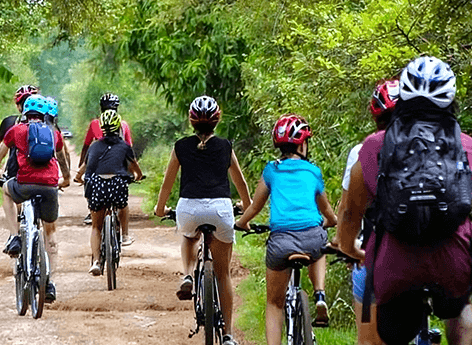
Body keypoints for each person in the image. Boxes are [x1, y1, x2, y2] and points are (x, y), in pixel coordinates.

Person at [337, 56, 472, 345]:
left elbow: (351, 213)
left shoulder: (375, 146)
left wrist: (350, 248)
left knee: (389, 331)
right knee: (461, 308)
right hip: (452, 262)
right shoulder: (468, 146)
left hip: (393, 263)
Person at [154, 95, 253, 345]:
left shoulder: (180, 146)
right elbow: (241, 184)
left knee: (189, 236)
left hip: (189, 207)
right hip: (221, 209)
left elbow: (167, 184)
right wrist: (247, 212)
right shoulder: (226, 146)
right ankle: (228, 335)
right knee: (223, 275)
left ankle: (187, 274)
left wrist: (160, 208)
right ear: (217, 120)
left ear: (191, 120)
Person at [235, 114, 338, 345]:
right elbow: (327, 211)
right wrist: (331, 221)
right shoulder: (313, 171)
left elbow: (255, 206)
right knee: (321, 244)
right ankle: (319, 293)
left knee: (274, 303)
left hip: (281, 243)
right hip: (312, 237)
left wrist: (242, 223)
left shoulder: (272, 170)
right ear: (302, 144)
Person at [332, 78, 398, 344]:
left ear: (375, 116)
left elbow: (348, 212)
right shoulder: (429, 148)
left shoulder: (363, 152)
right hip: (426, 256)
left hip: (376, 257)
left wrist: (349, 249)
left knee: (368, 341)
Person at [0, 94, 64, 302]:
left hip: (24, 183)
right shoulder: (53, 133)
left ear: (25, 112)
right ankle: (49, 283)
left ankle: (14, 237)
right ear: (44, 114)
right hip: (50, 187)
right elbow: (61, 158)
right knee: (50, 233)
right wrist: (64, 180)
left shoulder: (16, 131)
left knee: (6, 191)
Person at [80, 109, 144, 277]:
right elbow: (135, 166)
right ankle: (124, 235)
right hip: (117, 184)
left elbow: (85, 168)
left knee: (96, 227)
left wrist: (79, 177)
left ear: (102, 128)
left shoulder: (94, 146)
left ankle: (96, 261)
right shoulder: (124, 146)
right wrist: (139, 176)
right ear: (118, 128)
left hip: (97, 185)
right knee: (123, 205)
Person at [79, 92, 135, 232]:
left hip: (97, 165)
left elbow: (86, 146)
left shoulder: (94, 124)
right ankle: (124, 232)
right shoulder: (123, 125)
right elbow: (129, 147)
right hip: (119, 164)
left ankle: (92, 211)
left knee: (89, 183)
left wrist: (82, 163)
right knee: (122, 194)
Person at [44, 96, 72, 189]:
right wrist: (66, 178)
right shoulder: (56, 133)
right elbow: (62, 157)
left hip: (25, 180)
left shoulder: (24, 129)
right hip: (50, 179)